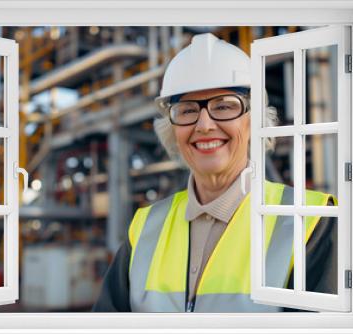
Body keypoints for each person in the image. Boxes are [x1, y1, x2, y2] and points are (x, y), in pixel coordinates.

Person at [92, 33, 337, 312]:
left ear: (254, 120)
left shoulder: (309, 222)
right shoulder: (145, 227)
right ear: (172, 128)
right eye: (187, 110)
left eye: (224, 106)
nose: (204, 124)